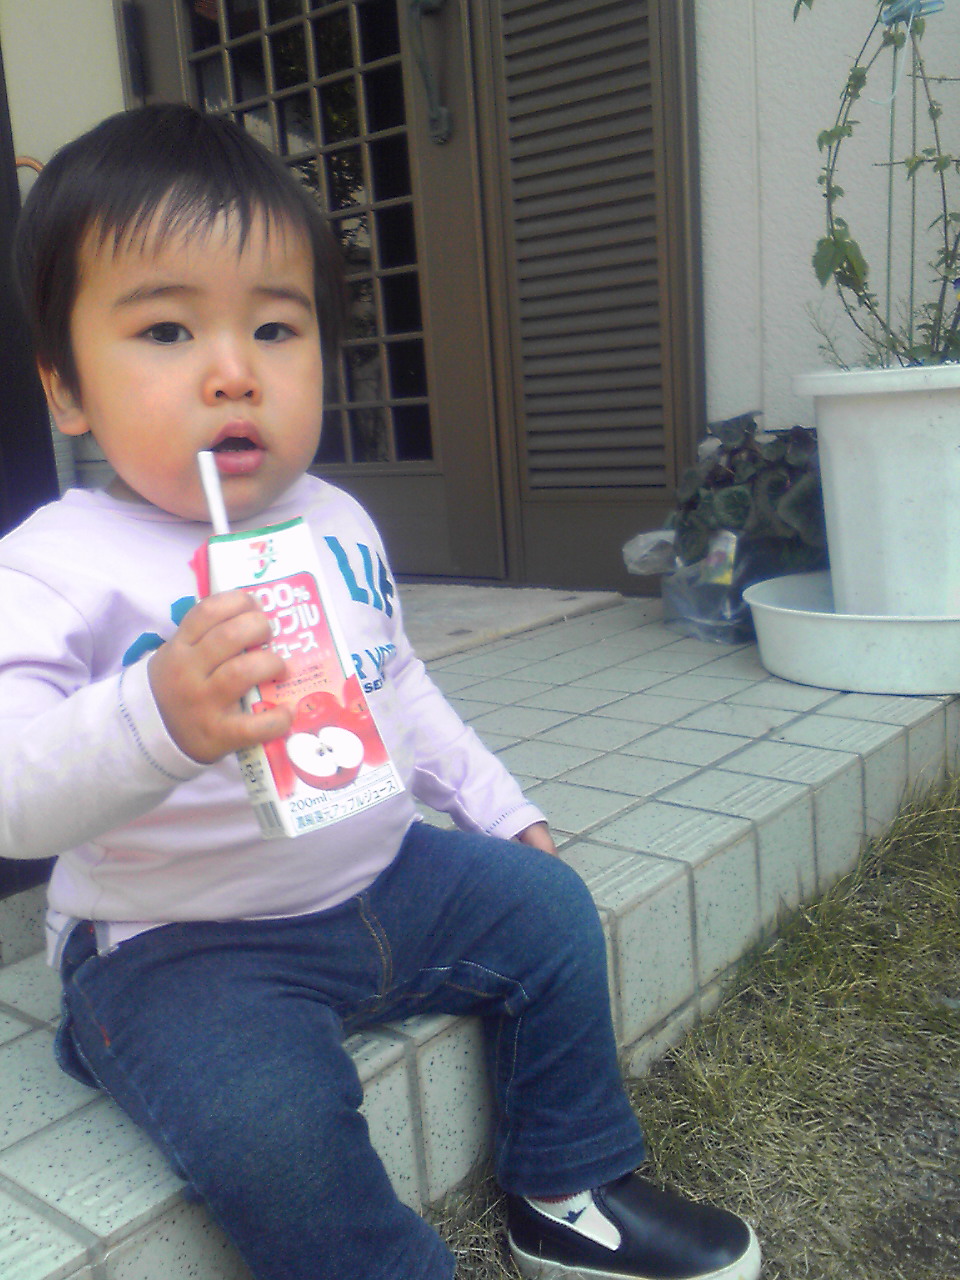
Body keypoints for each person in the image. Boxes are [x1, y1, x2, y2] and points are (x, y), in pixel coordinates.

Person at [1, 104, 761, 1280]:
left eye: (275, 326)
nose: (232, 372)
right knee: (271, 1124)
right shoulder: (57, 562)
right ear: (66, 388)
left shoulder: (336, 519)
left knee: (549, 908)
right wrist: (156, 715)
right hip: (179, 944)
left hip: (381, 874)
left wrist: (493, 803)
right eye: (165, 329)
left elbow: (393, 677)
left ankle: (569, 1186)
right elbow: (12, 791)